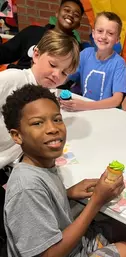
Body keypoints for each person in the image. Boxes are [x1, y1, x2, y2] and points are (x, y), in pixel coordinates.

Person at [2, 84, 126, 257]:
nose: (52, 128)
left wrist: (67, 193)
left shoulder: (40, 163)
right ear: (17, 135)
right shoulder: (26, 188)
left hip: (70, 250)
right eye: (38, 123)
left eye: (57, 119)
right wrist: (96, 202)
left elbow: (42, 205)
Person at [0, 29, 80, 171]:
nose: (56, 74)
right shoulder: (12, 79)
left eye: (64, 73)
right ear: (36, 55)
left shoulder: (48, 95)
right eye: (53, 65)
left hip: (14, 164)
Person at [60, 11, 126, 112]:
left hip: (105, 113)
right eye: (100, 31)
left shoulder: (119, 63)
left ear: (117, 39)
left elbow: (117, 100)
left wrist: (85, 106)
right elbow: (67, 76)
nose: (104, 36)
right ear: (93, 33)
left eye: (110, 33)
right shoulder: (85, 54)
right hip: (84, 110)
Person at [0, 0, 83, 70]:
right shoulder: (33, 32)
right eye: (67, 10)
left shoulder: (77, 49)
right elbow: (6, 52)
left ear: (78, 24)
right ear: (57, 13)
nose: (71, 15)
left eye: (76, 15)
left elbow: (71, 77)